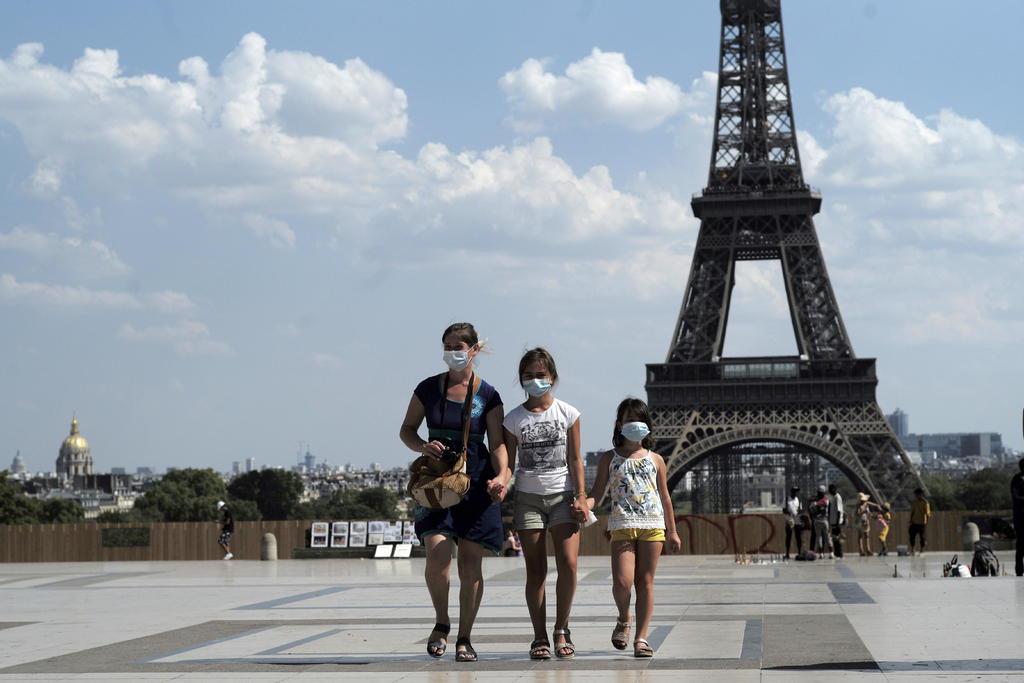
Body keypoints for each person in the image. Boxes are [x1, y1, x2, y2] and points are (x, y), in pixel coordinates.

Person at [399, 322, 510, 662]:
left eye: (459, 346)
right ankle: (442, 623)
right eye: (447, 346)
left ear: (474, 349)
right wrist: (422, 445)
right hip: (437, 480)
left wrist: (503, 475)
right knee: (437, 555)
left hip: (476, 480)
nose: (453, 352)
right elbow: (406, 430)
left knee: (471, 563)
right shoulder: (428, 388)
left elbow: (498, 444)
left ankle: (465, 636)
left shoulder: (488, 394)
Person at [503, 347, 587, 660]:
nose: (535, 380)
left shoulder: (569, 413)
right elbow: (510, 463)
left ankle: (561, 628)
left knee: (569, 564)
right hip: (527, 497)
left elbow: (576, 459)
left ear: (552, 377)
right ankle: (539, 635)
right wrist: (502, 480)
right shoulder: (513, 419)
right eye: (529, 376)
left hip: (563, 495)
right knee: (535, 570)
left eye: (540, 375)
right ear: (521, 379)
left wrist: (580, 494)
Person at [586, 398, 681, 659]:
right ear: (619, 424)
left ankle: (641, 637)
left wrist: (672, 530)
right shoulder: (609, 457)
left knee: (645, 582)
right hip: (622, 523)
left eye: (639, 420)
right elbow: (598, 492)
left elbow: (665, 497)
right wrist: (585, 504)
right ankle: (623, 617)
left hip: (653, 524)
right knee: (622, 582)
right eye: (629, 420)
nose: (634, 425)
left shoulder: (657, 459)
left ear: (647, 425)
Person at [1010, 457, 1024, 576]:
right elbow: (1016, 497)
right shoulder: (1017, 480)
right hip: (1021, 517)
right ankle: (1019, 570)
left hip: (1019, 517)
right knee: (1020, 545)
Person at [781, 486, 803, 559]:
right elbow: (783, 510)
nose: (796, 493)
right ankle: (787, 553)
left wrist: (799, 514)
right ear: (791, 491)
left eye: (797, 491)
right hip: (789, 520)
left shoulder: (798, 499)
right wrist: (789, 513)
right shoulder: (787, 499)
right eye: (794, 491)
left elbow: (800, 509)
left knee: (798, 537)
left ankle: (799, 553)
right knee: (788, 537)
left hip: (797, 520)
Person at [908, 487, 931, 555]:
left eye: (918, 494)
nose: (917, 496)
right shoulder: (915, 502)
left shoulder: (925, 502)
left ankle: (922, 549)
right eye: (916, 494)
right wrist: (911, 520)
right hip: (914, 522)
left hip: (922, 523)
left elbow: (928, 514)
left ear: (921, 494)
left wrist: (926, 522)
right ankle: (912, 549)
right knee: (911, 535)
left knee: (922, 537)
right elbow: (913, 511)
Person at [809, 488, 831, 558]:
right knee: (827, 538)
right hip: (824, 520)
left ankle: (821, 553)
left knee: (819, 538)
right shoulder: (826, 500)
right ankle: (831, 553)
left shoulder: (815, 501)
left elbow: (811, 508)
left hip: (817, 521)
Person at [828, 483, 845, 559]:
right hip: (833, 522)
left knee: (838, 539)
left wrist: (838, 523)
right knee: (835, 538)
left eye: (830, 489)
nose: (829, 491)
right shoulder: (833, 497)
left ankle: (840, 554)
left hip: (837, 522)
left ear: (833, 489)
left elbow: (839, 510)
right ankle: (837, 553)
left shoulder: (837, 497)